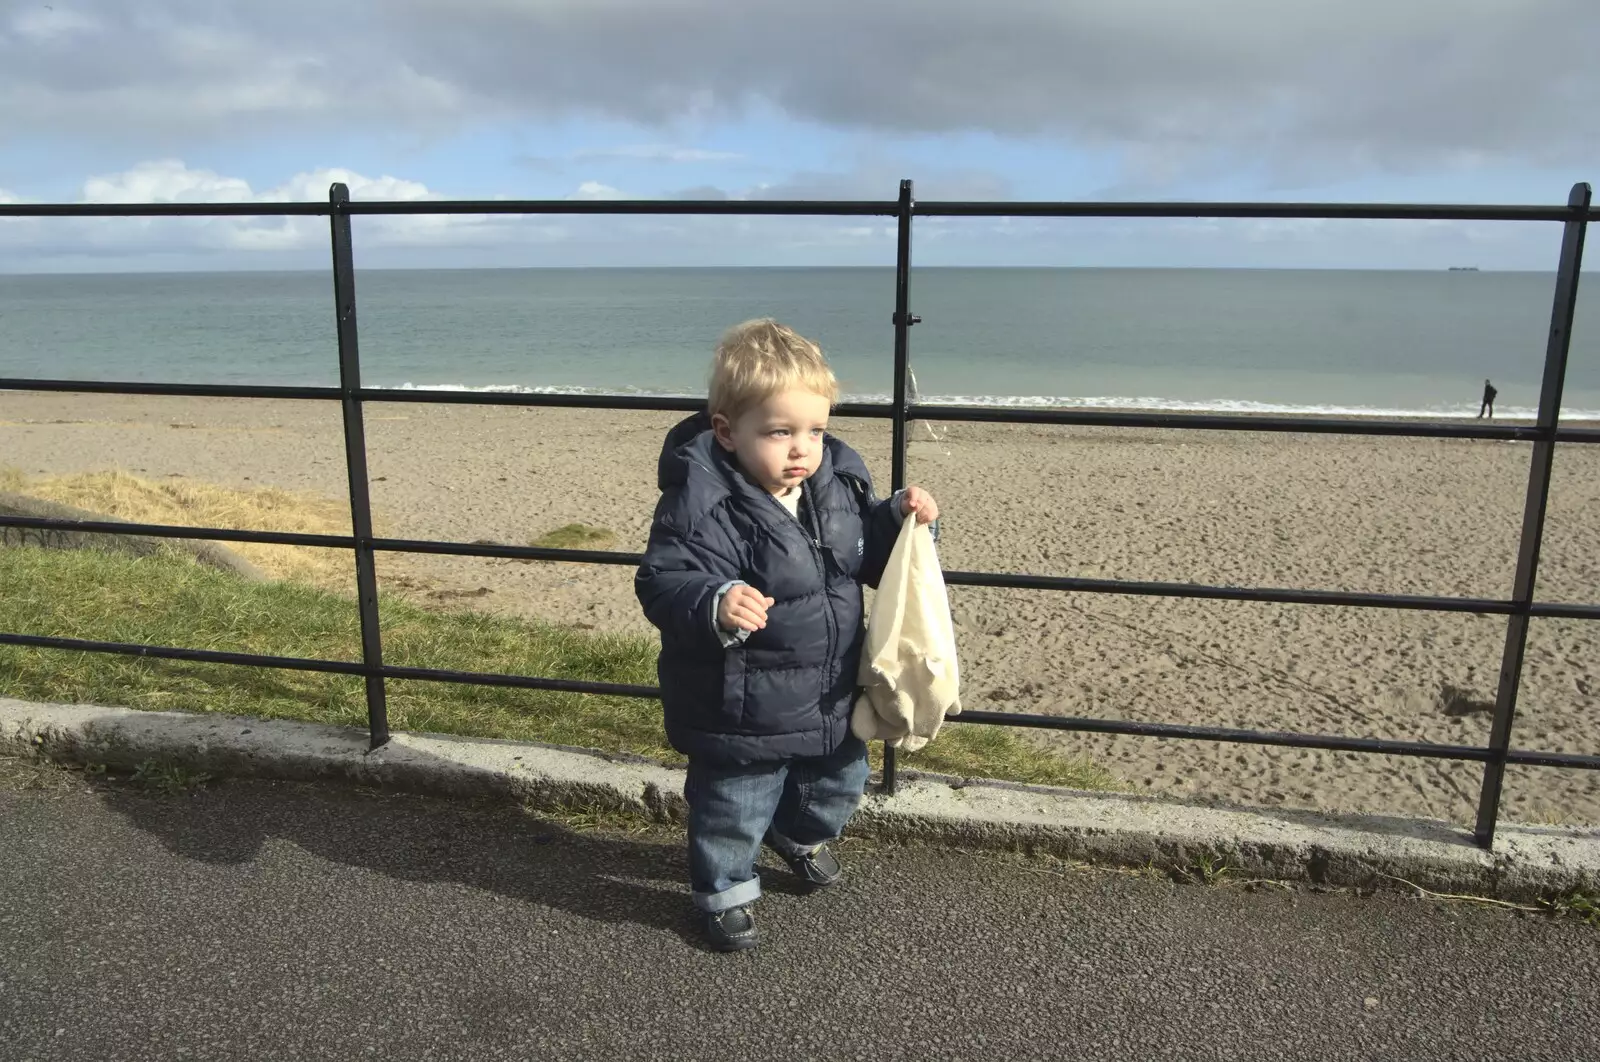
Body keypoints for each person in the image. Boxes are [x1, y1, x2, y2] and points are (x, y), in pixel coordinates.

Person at [635, 319, 939, 952]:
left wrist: (903, 524)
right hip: (741, 702)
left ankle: (797, 834)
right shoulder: (704, 503)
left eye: (816, 431)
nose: (804, 449)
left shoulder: (834, 486)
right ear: (727, 431)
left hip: (830, 687)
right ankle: (724, 889)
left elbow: (864, 555)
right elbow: (663, 581)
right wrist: (714, 601)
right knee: (733, 805)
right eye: (780, 432)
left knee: (838, 785)